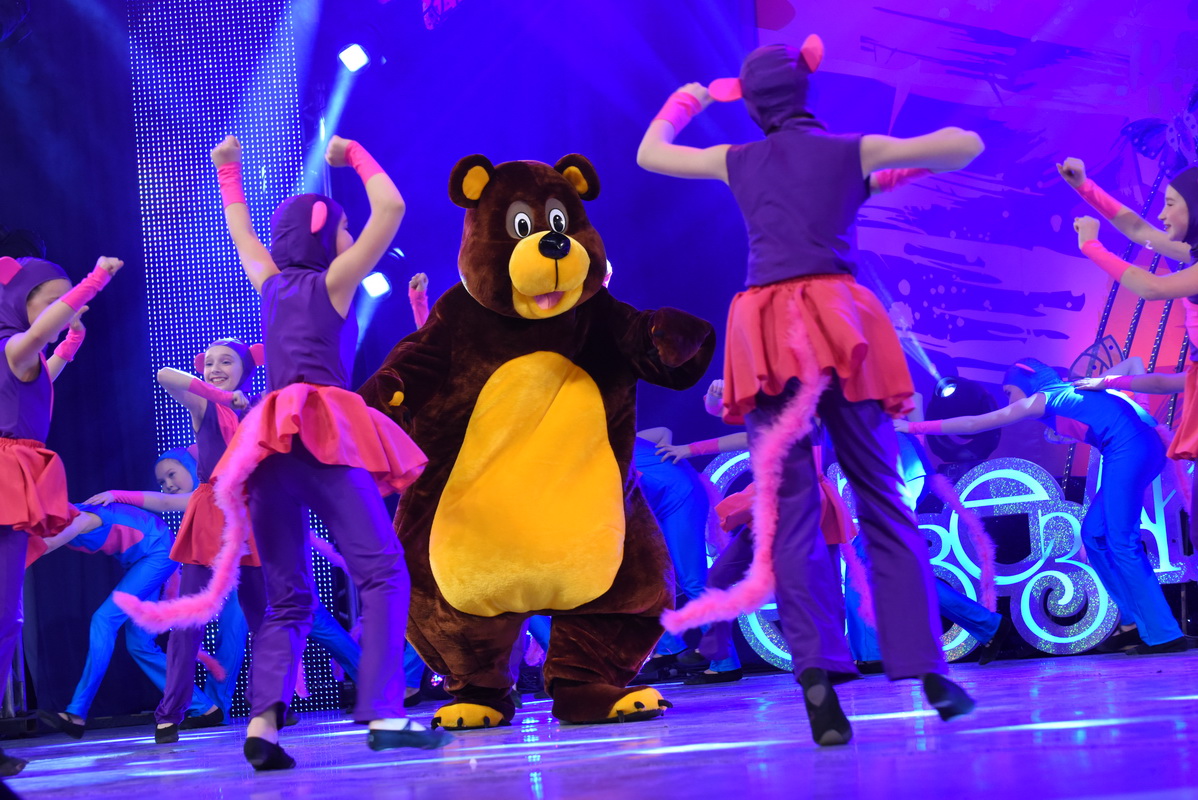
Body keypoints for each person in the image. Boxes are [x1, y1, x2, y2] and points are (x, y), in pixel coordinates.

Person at [637, 38, 982, 745]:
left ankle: (817, 680)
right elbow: (965, 144)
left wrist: (690, 99)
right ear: (805, 93)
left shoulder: (739, 159)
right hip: (837, 321)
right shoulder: (848, 150)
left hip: (768, 329)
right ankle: (929, 669)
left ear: (753, 103)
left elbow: (650, 154)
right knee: (881, 497)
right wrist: (884, 170)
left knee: (790, 517)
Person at [118, 134, 447, 769]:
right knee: (383, 571)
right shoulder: (336, 282)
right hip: (322, 433)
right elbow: (393, 208)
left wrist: (229, 172)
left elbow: (241, 232)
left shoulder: (270, 284)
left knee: (287, 595)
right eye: (342, 228)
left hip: (267, 446)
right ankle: (384, 712)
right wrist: (354, 154)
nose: (350, 237)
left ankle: (263, 725)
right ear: (322, 233)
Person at [900, 358, 1187, 655]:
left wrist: (912, 426)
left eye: (1009, 391)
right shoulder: (1074, 390)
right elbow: (1133, 364)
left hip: (1129, 450)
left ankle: (1164, 633)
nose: (1009, 400)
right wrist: (1136, 406)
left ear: (1026, 376)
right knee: (1094, 536)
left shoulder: (1044, 397)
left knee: (1122, 542)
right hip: (1139, 447)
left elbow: (975, 423)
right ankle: (1132, 622)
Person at [0, 253, 123, 775]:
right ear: (18, 303)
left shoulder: (21, 359)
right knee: (5, 617)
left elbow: (45, 376)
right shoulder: (12, 346)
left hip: (14, 476)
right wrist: (94, 281)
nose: (65, 308)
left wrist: (70, 342)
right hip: (7, 478)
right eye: (53, 301)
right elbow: (38, 338)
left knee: (7, 615)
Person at [33, 502, 215, 738]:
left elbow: (46, 546)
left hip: (158, 552)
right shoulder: (57, 522)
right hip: (144, 559)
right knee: (139, 644)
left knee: (104, 620)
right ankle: (205, 708)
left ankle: (76, 713)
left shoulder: (80, 520)